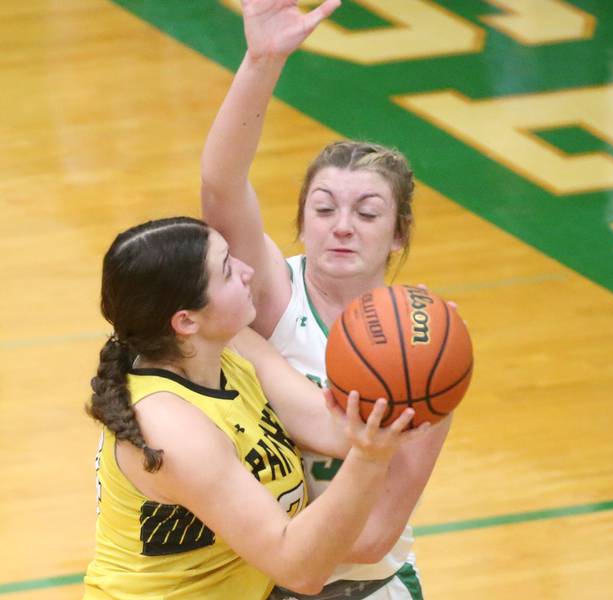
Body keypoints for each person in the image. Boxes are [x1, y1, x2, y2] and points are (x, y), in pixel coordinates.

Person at [201, 1, 453, 599]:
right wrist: (262, 61)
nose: (342, 226)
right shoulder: (265, 295)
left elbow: (371, 536)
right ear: (301, 223)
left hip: (361, 584)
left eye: (367, 213)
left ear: (398, 234)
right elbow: (220, 184)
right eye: (324, 209)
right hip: (250, 577)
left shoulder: (429, 346)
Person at [83, 216, 428, 600]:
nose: (247, 272)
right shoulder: (171, 429)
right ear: (186, 321)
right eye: (228, 269)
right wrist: (368, 459)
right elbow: (298, 567)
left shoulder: (230, 348)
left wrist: (416, 354)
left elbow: (330, 425)